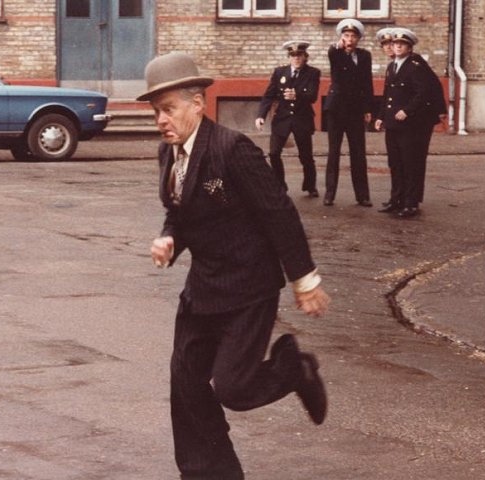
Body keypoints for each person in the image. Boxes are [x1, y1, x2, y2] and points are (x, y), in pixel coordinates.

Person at [140, 52, 330, 480]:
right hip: (203, 289)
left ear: (197, 103)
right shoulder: (168, 154)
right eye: (156, 112)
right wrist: (171, 237)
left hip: (248, 289)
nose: (161, 120)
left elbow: (278, 212)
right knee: (186, 385)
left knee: (234, 388)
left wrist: (305, 280)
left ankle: (293, 368)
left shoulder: (232, 149)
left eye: (168, 109)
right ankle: (208, 472)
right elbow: (180, 208)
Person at [374, 28, 445, 218]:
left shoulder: (415, 66)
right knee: (395, 162)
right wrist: (380, 116)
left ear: (410, 47)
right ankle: (396, 199)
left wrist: (407, 110)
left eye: (402, 44)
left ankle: (411, 203)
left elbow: (423, 94)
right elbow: (387, 95)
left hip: (412, 125)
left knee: (411, 163)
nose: (397, 46)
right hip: (393, 123)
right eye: (395, 44)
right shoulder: (392, 66)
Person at [255, 40, 321, 197]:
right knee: (274, 153)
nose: (296, 58)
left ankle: (310, 186)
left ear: (305, 57)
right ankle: (280, 185)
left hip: (302, 118)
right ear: (289, 57)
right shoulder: (279, 72)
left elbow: (312, 96)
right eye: (293, 55)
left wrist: (297, 95)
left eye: (299, 55)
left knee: (306, 156)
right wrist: (260, 116)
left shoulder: (313, 73)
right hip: (282, 117)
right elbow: (269, 95)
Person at [323, 18, 374, 207]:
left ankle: (362, 195)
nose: (350, 40)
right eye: (346, 36)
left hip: (355, 110)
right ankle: (329, 193)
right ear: (341, 38)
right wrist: (337, 47)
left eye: (353, 36)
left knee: (358, 153)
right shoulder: (335, 53)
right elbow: (332, 55)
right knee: (333, 152)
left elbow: (367, 83)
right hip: (336, 110)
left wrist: (368, 108)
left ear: (358, 38)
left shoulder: (364, 56)